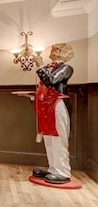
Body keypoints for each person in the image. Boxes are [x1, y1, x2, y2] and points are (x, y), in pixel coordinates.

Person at [31, 43, 74, 184]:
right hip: (47, 107)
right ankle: (53, 169)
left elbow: (51, 81)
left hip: (57, 105)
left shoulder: (66, 68)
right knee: (49, 139)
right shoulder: (51, 68)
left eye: (58, 48)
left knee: (58, 138)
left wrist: (40, 67)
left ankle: (63, 171)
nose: (53, 50)